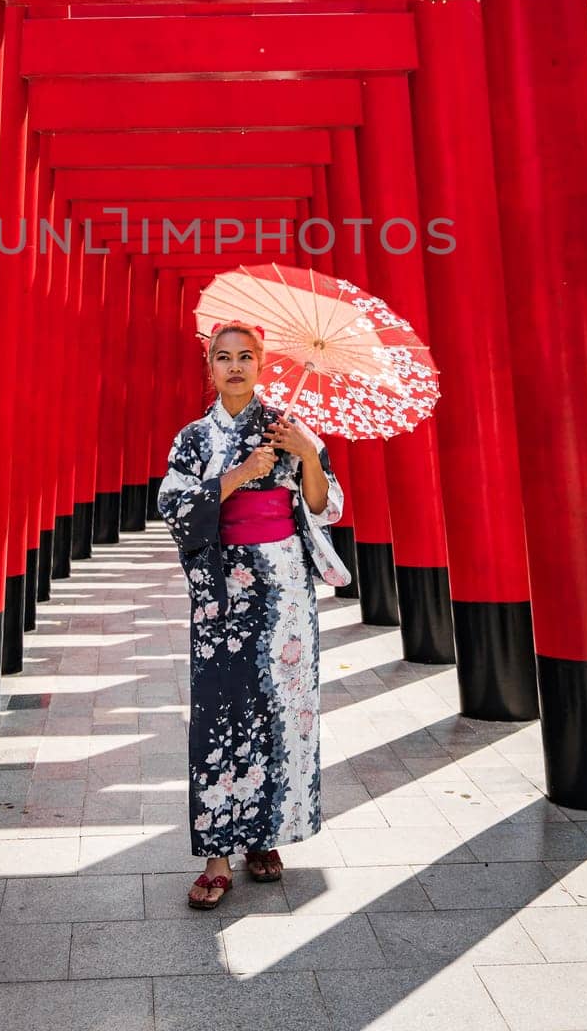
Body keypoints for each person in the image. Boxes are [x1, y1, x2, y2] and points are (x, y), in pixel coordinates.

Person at [157, 320, 349, 910]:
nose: (235, 366)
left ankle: (266, 836)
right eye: (223, 357)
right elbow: (173, 504)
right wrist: (239, 476)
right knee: (221, 713)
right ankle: (218, 853)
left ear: (262, 363)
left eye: (245, 356)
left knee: (284, 709)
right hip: (223, 588)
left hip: (286, 588)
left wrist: (307, 456)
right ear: (209, 367)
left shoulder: (289, 428)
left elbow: (326, 506)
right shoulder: (193, 438)